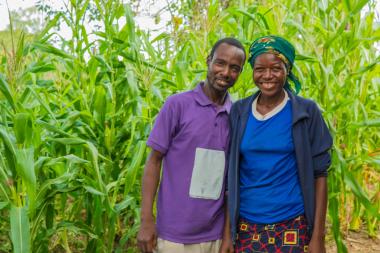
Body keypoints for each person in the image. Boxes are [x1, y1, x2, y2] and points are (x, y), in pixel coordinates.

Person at [137, 37, 246, 253]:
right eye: (220, 63)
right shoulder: (177, 105)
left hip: (214, 236)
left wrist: (226, 235)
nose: (225, 72)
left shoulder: (236, 115)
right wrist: (146, 221)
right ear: (208, 60)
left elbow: (229, 183)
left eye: (234, 68)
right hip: (174, 237)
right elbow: (153, 162)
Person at [227, 35, 332, 253]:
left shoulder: (305, 112)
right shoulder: (239, 111)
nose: (267, 76)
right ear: (253, 72)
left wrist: (318, 237)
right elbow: (230, 175)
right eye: (259, 69)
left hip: (292, 222)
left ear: (288, 69)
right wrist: (228, 233)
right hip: (247, 224)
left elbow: (320, 175)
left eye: (276, 68)